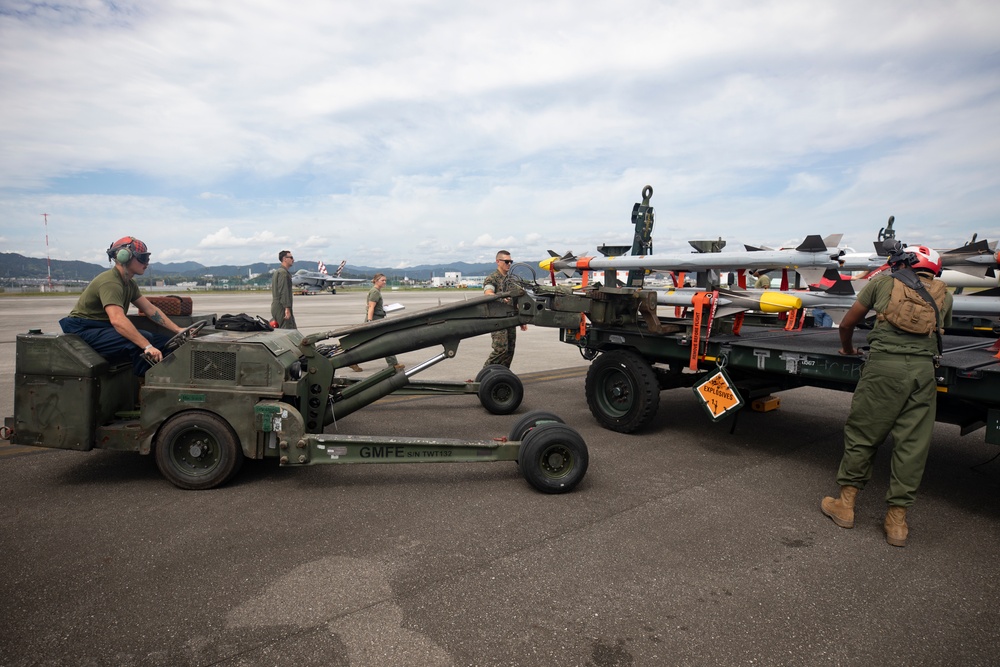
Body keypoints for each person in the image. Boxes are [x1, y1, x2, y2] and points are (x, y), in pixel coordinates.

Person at [821, 244, 952, 547]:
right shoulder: (946, 294)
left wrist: (848, 347)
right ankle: (897, 523)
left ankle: (846, 505)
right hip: (922, 373)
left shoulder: (881, 282)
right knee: (912, 446)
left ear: (904, 262)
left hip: (883, 369)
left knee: (864, 434)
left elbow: (849, 322)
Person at [59, 236, 185, 376]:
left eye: (147, 259)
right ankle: (145, 384)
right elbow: (117, 319)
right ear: (125, 257)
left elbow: (150, 310)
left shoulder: (129, 284)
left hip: (103, 327)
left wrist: (178, 330)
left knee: (166, 342)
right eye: (142, 258)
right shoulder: (110, 282)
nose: (146, 263)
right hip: (84, 329)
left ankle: (170, 378)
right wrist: (147, 346)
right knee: (141, 341)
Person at [483, 250, 527, 369]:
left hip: (511, 320)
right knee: (500, 350)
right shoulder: (492, 278)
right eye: (506, 261)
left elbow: (517, 301)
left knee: (509, 351)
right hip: (498, 320)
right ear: (498, 261)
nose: (509, 264)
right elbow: (488, 292)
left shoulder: (511, 280)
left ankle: (503, 374)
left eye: (510, 262)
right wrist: (500, 297)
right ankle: (483, 375)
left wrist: (522, 320)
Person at [366, 273, 403, 371]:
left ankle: (352, 362)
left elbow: (374, 306)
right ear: (376, 280)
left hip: (375, 318)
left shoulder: (376, 291)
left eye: (385, 280)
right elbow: (371, 307)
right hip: (375, 320)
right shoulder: (375, 292)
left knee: (363, 342)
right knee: (386, 341)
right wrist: (370, 322)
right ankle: (393, 364)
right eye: (382, 280)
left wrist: (382, 307)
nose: (384, 282)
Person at [270, 250, 296, 329]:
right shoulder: (283, 273)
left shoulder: (278, 272)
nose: (293, 259)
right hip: (282, 307)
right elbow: (284, 292)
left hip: (278, 306)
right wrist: (287, 308)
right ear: (285, 259)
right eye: (291, 257)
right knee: (288, 330)